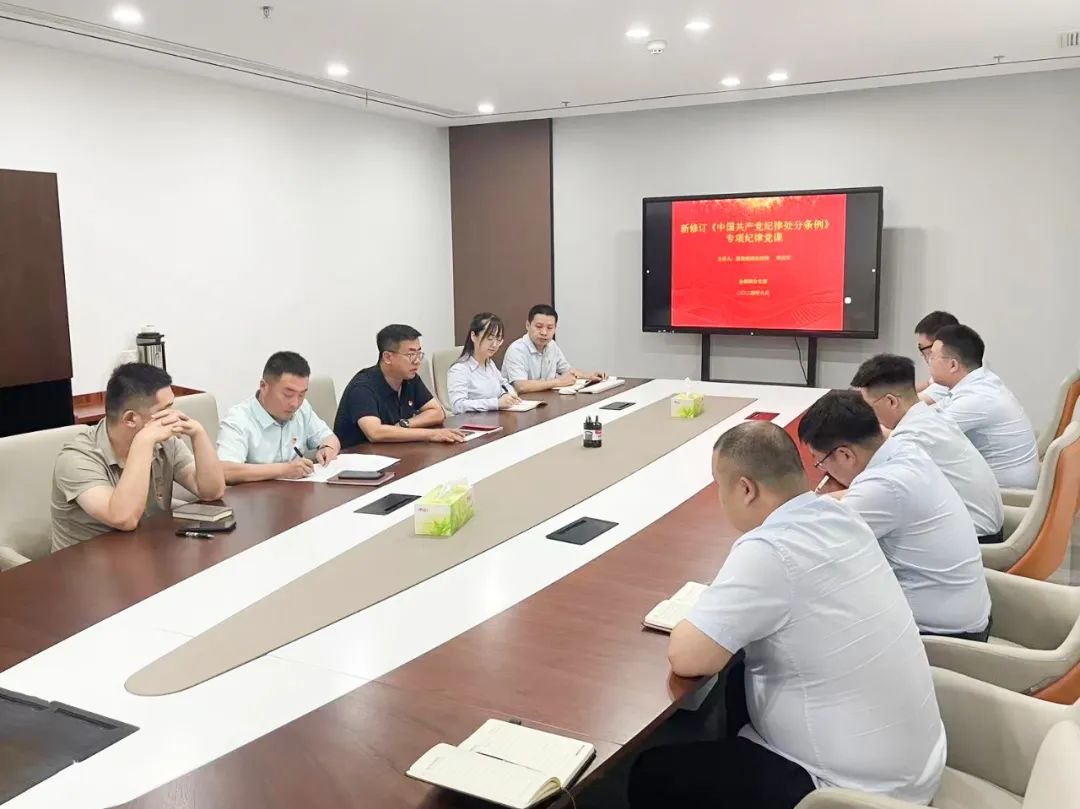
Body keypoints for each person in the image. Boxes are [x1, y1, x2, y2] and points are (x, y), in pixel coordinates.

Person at [629, 422, 945, 809]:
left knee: (651, 772)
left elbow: (689, 658)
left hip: (848, 790)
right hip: (912, 767)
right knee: (738, 679)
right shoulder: (842, 517)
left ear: (746, 489)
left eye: (719, 486)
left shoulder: (770, 549)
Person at [798, 391, 991, 640]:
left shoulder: (884, 486)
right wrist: (820, 502)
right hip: (961, 607)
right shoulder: (902, 449)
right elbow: (853, 498)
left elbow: (813, 548)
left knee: (810, 607)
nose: (823, 469)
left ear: (846, 455)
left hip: (944, 635)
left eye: (821, 462)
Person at [51, 363, 226, 551]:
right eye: (165, 409)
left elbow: (211, 492)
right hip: (86, 563)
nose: (174, 415)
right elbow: (124, 518)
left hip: (145, 552)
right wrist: (143, 442)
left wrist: (198, 433)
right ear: (130, 419)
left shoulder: (163, 441)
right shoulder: (76, 459)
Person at [851, 354, 1005, 543]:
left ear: (891, 401)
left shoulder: (911, 438)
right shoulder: (932, 416)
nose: (867, 415)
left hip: (975, 538)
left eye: (868, 407)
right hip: (986, 526)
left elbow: (875, 489)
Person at [929, 325, 1039, 489]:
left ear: (953, 365)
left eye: (932, 357)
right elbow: (929, 417)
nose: (929, 362)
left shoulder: (977, 399)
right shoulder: (981, 382)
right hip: (994, 481)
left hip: (1006, 493)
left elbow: (924, 434)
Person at [216, 351, 341, 484]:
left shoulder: (302, 408)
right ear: (264, 386)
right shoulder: (238, 418)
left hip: (296, 492)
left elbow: (329, 438)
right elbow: (225, 471)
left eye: (301, 395)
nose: (295, 404)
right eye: (288, 395)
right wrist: (283, 470)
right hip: (255, 495)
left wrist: (327, 448)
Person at [333, 324, 465, 446]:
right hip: (360, 457)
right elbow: (375, 432)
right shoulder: (362, 387)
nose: (417, 361)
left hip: (394, 450)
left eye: (419, 353)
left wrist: (405, 424)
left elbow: (437, 412)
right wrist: (432, 434)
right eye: (411, 354)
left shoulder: (410, 378)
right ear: (387, 357)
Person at [502, 304, 607, 394]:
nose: (544, 332)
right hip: (519, 405)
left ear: (555, 328)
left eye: (549, 328)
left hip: (545, 400)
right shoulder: (517, 350)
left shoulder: (552, 345)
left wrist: (589, 376)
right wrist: (559, 382)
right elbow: (521, 386)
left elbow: (567, 370)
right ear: (528, 325)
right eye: (539, 326)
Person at [446, 313, 522, 414]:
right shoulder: (459, 369)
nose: (494, 344)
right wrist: (496, 403)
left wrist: (508, 395)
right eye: (489, 338)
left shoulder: (489, 363)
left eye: (498, 339)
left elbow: (504, 384)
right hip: (472, 421)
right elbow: (457, 405)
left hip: (493, 417)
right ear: (473, 336)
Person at [913, 311, 959, 404]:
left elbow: (907, 406)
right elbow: (928, 383)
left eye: (922, 348)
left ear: (938, 345)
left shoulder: (950, 377)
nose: (922, 354)